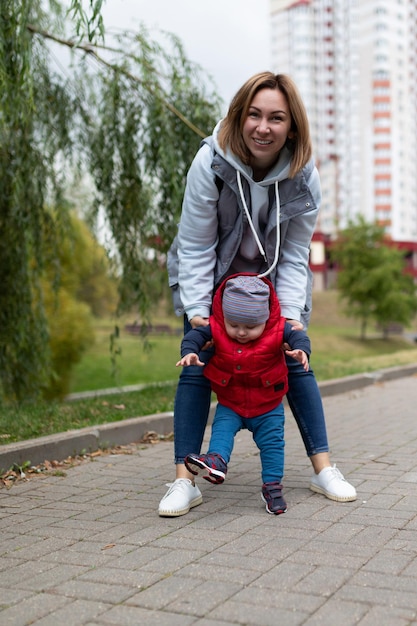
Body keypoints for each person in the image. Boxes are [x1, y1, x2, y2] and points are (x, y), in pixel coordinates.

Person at [158, 71, 357, 517]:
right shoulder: (209, 163)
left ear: (292, 127)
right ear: (240, 116)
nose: (263, 127)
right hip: (210, 277)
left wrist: (289, 319)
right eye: (254, 114)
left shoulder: (305, 177)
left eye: (276, 118)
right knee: (196, 364)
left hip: (272, 283)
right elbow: (195, 246)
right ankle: (184, 482)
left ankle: (323, 468)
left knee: (294, 360)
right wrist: (196, 313)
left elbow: (294, 255)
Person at [178, 273, 310, 515]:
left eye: (250, 327)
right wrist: (190, 351)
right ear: (224, 317)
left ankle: (272, 487)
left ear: (265, 319)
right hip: (231, 401)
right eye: (234, 325)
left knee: (272, 445)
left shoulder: (278, 328)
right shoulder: (216, 326)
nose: (240, 332)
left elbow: (298, 335)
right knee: (222, 431)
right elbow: (196, 336)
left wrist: (302, 349)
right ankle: (216, 461)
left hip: (268, 404)